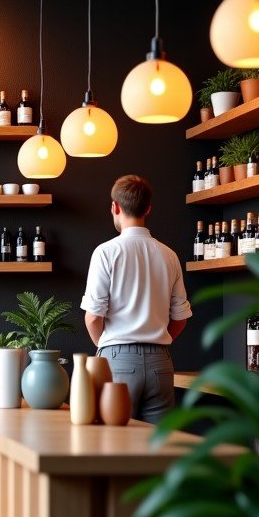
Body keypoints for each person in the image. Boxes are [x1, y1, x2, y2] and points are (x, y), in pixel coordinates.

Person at [80, 174, 191, 423]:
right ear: (148, 208)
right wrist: (156, 342)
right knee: (157, 450)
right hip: (160, 363)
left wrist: (107, 346)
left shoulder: (106, 253)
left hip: (117, 360)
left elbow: (93, 318)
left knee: (113, 445)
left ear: (115, 207)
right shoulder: (169, 255)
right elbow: (181, 317)